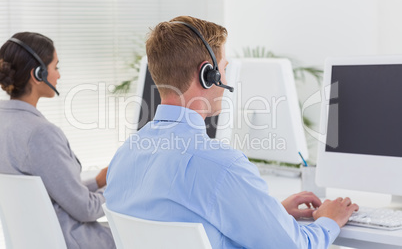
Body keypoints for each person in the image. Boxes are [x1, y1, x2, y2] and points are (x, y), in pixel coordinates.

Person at [104, 16, 359, 248]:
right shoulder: (222, 166)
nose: (225, 78)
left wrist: (268, 214)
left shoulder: (124, 157)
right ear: (208, 74)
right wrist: (330, 221)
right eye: (223, 68)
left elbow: (180, 222)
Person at [0, 32, 116, 249]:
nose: (58, 76)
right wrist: (120, 187)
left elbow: (51, 191)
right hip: (74, 241)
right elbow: (86, 210)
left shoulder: (5, 123)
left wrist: (98, 182)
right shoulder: (40, 134)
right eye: (56, 67)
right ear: (38, 74)